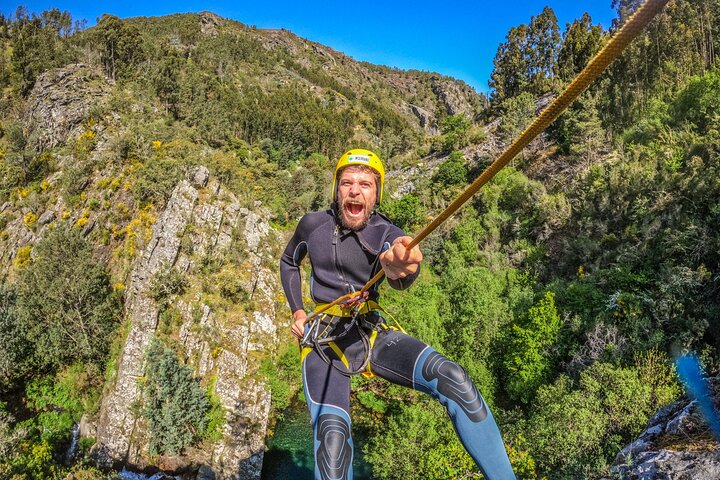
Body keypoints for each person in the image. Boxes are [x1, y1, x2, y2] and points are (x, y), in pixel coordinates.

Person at [280, 149, 516, 480]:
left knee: (453, 378)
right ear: (336, 189)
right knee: (332, 441)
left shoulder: (384, 232)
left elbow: (400, 262)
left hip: (371, 333)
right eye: (347, 182)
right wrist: (298, 311)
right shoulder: (312, 226)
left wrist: (403, 268)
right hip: (323, 341)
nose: (355, 190)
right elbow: (289, 261)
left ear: (376, 194)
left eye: (365, 184)